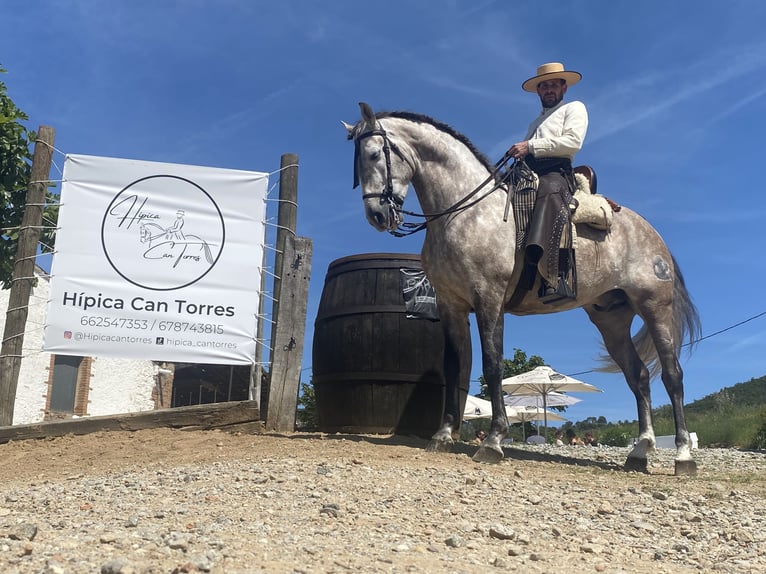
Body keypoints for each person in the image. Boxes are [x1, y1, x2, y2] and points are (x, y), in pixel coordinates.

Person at [507, 62, 588, 302]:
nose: (549, 90)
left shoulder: (574, 108)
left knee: (549, 193)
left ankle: (556, 276)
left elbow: (573, 142)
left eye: (554, 85)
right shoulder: (535, 123)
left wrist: (529, 145)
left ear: (564, 87)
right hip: (528, 172)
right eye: (544, 86)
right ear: (539, 91)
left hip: (556, 173)